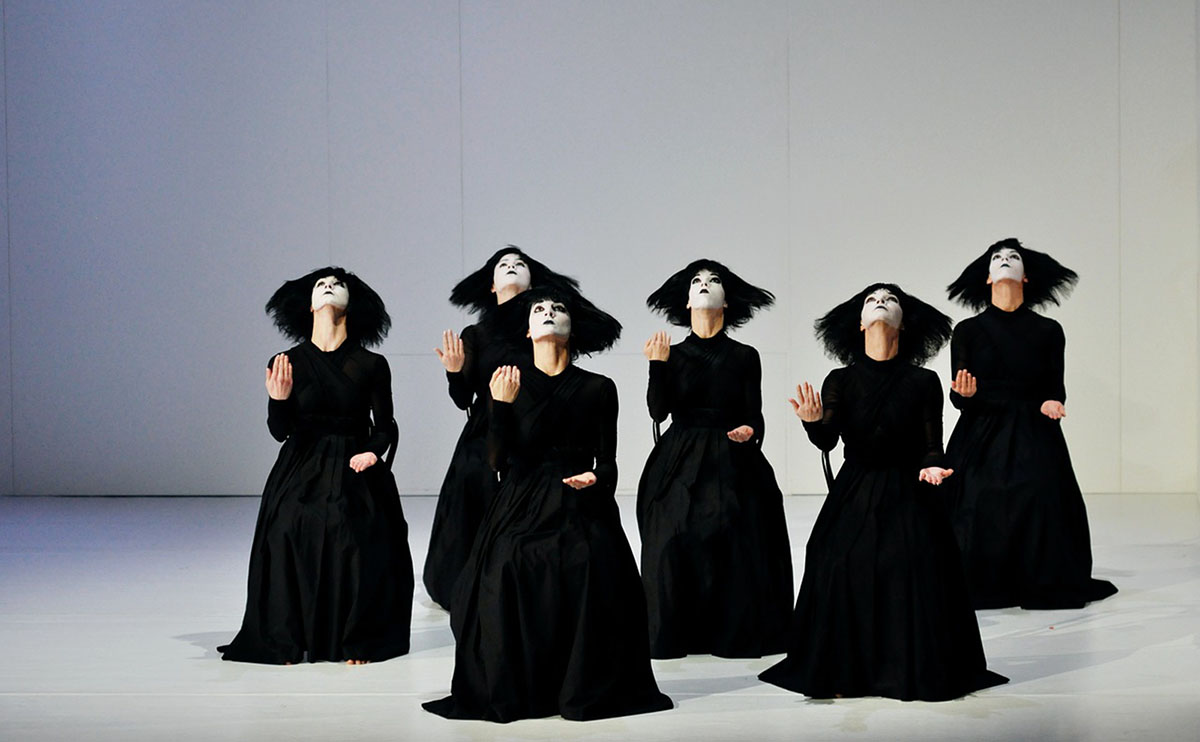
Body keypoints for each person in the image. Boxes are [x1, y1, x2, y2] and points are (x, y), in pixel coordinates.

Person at [423, 286, 672, 722]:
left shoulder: (599, 388)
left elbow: (610, 464)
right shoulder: (508, 381)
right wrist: (499, 407)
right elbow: (496, 462)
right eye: (539, 309)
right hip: (520, 499)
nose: (548, 313)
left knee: (593, 568)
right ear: (526, 328)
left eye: (558, 308)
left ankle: (582, 681)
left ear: (573, 327)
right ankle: (522, 683)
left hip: (581, 498)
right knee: (503, 569)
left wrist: (595, 478)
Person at [759, 283, 1006, 701]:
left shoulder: (923, 381)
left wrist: (932, 466)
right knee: (835, 559)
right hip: (856, 485)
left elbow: (933, 444)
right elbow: (827, 441)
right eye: (872, 300)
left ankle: (908, 664)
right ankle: (843, 666)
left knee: (916, 560)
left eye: (890, 300)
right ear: (859, 323)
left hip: (910, 486)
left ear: (903, 323)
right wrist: (811, 421)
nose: (880, 302)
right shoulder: (840, 378)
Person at [220, 267, 412, 664]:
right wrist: (278, 399)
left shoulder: (371, 363)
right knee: (287, 527)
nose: (329, 287)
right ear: (309, 304)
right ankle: (284, 637)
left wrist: (373, 453)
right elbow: (280, 431)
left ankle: (356, 638)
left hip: (355, 462)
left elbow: (385, 426)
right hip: (302, 463)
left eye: (337, 285)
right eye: (321, 285)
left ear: (351, 304)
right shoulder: (286, 360)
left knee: (354, 532)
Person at [944, 238, 1117, 609]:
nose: (1005, 261)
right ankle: (983, 581)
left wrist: (1055, 401)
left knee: (1042, 497)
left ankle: (1040, 578)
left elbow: (1055, 385)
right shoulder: (968, 330)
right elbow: (959, 394)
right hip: (981, 431)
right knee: (976, 500)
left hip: (1034, 428)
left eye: (1013, 257)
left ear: (1026, 277)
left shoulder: (1049, 330)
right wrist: (965, 395)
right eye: (998, 258)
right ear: (987, 278)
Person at [636, 259, 792, 658]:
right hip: (681, 453)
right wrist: (657, 366)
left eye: (714, 280)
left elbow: (754, 414)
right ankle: (675, 629)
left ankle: (733, 629)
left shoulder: (745, 355)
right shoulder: (671, 352)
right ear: (686, 302)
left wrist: (751, 431)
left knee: (739, 529)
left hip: (731, 452)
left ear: (727, 302)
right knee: (671, 534)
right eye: (697, 281)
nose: (705, 284)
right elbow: (658, 412)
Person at [424, 247, 578, 611]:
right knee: (472, 496)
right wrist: (454, 370)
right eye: (503, 265)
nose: (511, 267)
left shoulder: (547, 325)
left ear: (533, 282)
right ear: (491, 287)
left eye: (520, 264)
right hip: (483, 434)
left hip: (535, 436)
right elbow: (463, 399)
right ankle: (465, 585)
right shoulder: (475, 333)